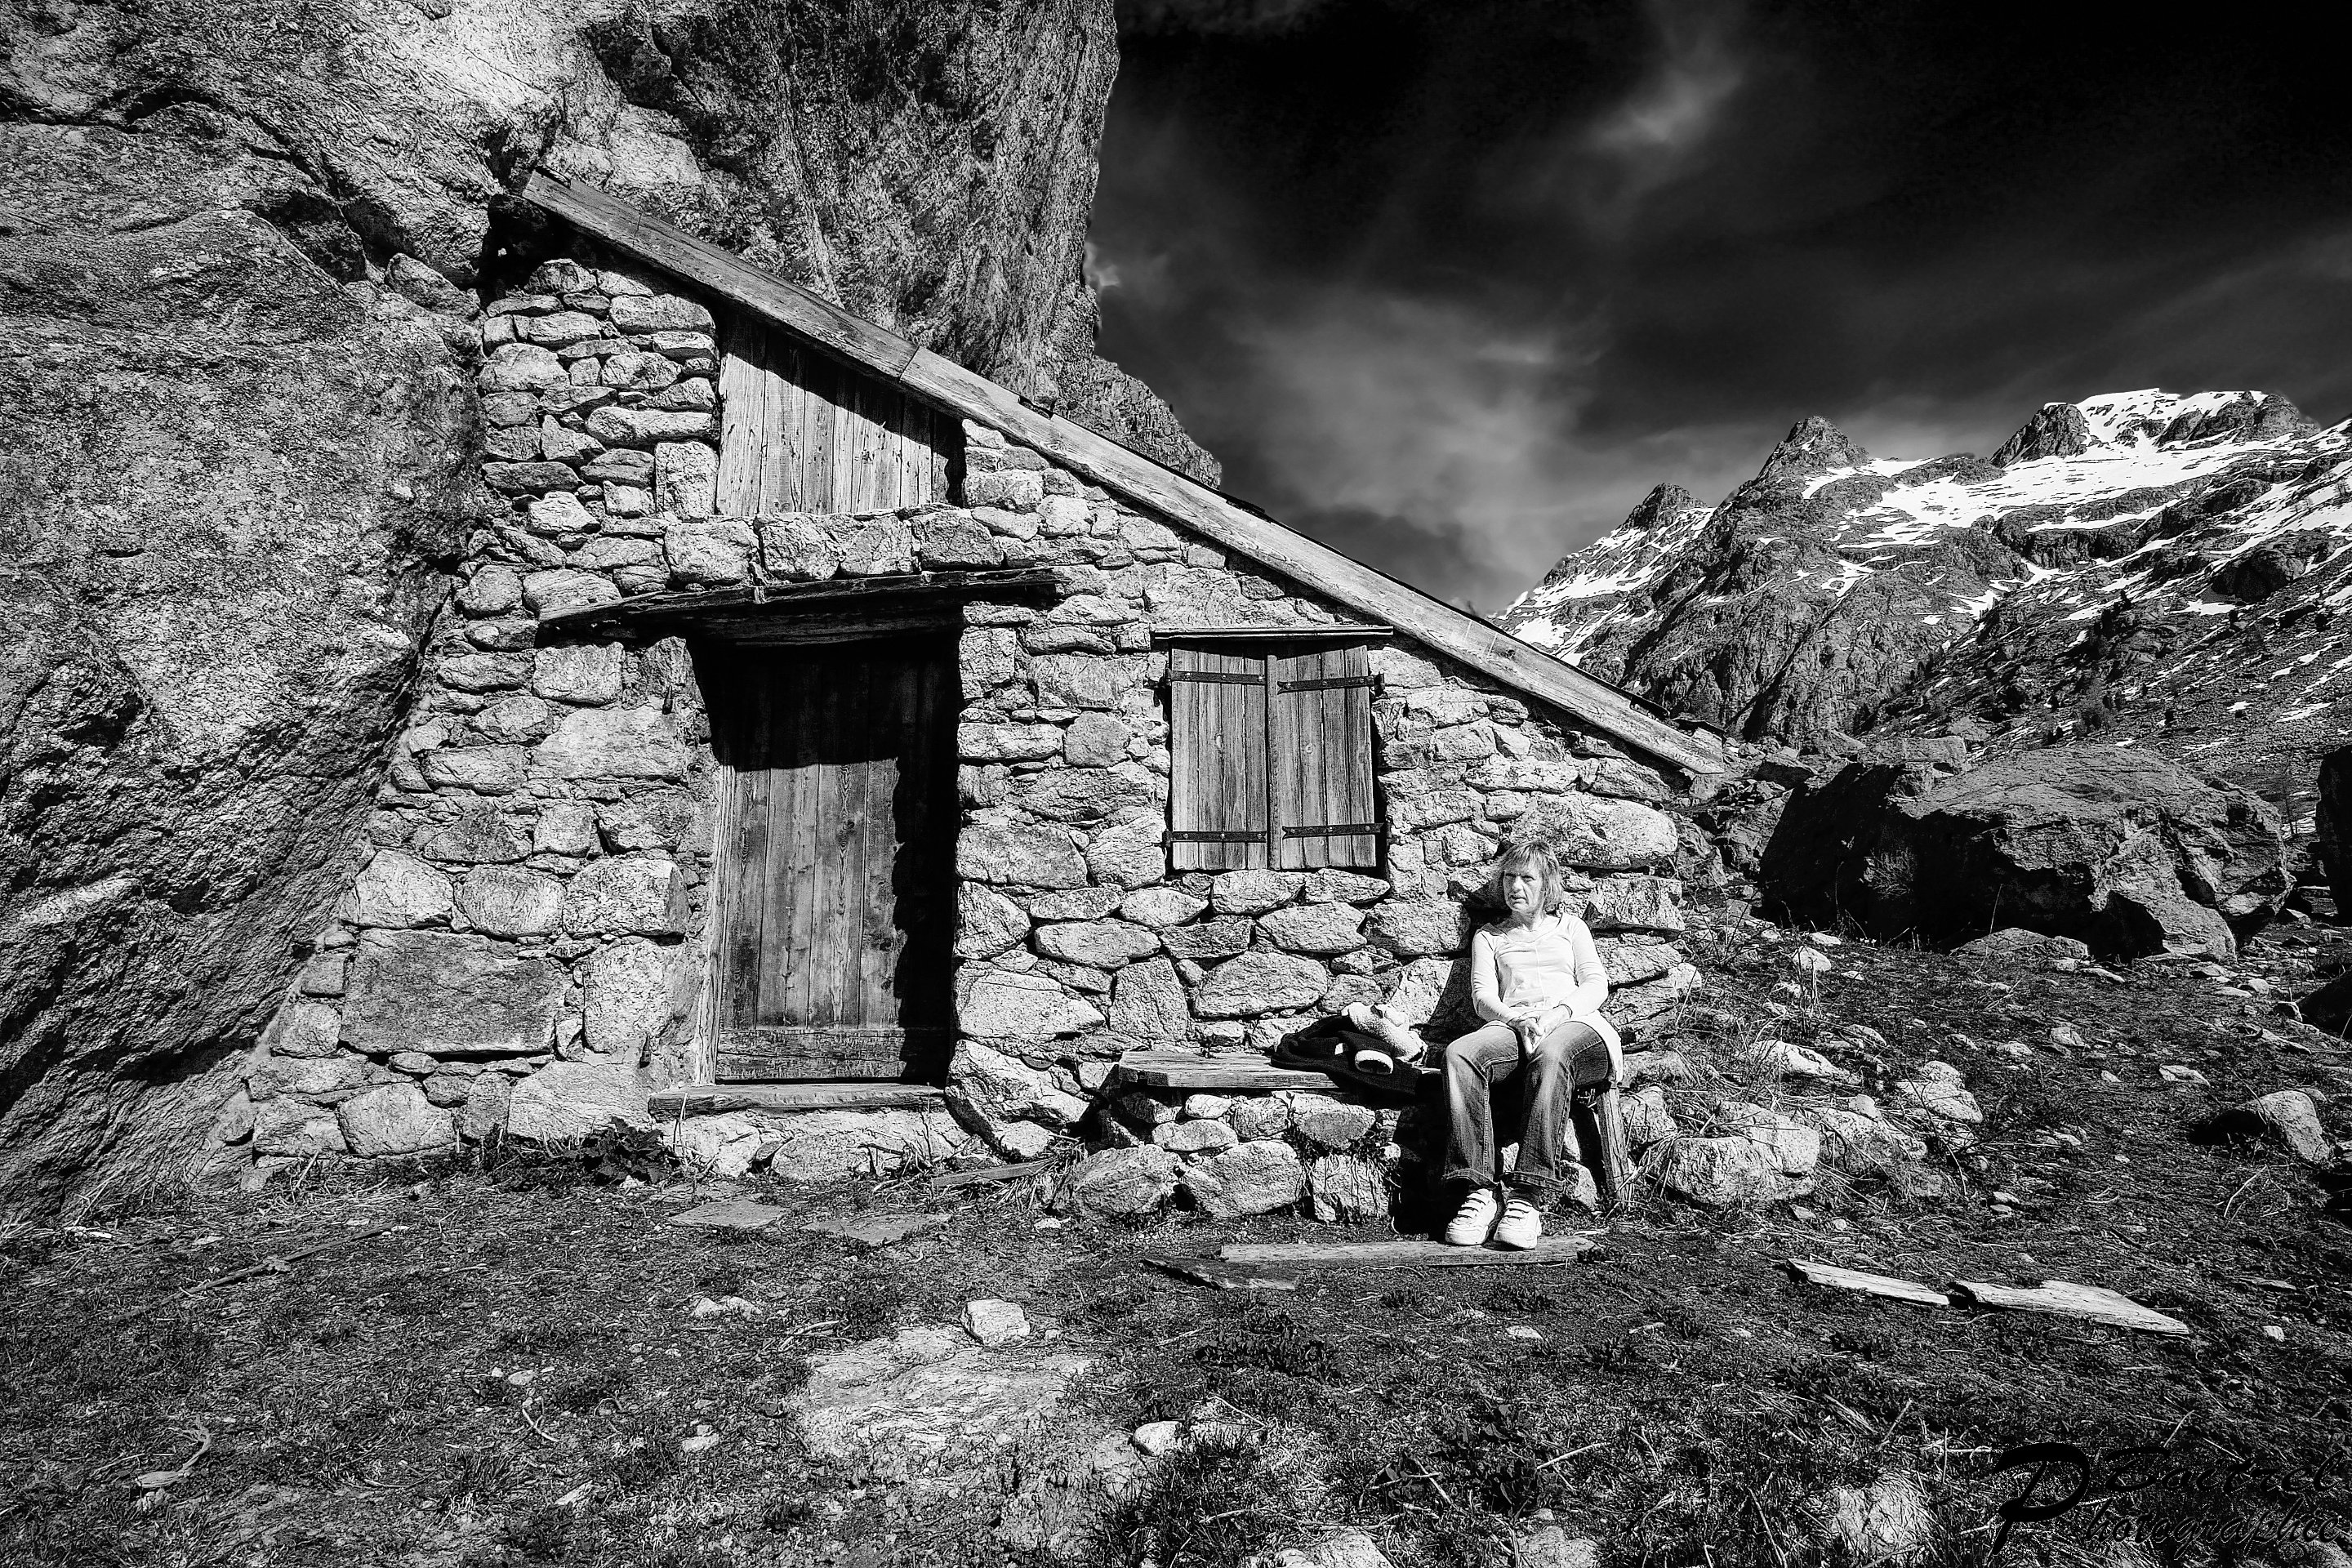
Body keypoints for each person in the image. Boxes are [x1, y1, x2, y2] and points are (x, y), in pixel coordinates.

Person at [1440, 836, 1622, 1249]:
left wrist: (1558, 1014)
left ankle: (1528, 1195)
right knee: (1460, 1054)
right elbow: (1483, 997)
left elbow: (1596, 984)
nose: (1515, 887)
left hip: (1577, 1024)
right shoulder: (1490, 937)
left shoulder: (1571, 929)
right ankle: (1478, 1193)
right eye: (1509, 877)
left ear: (1548, 887)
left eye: (1527, 878)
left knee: (1552, 1055)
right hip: (1515, 1025)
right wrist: (1516, 1019)